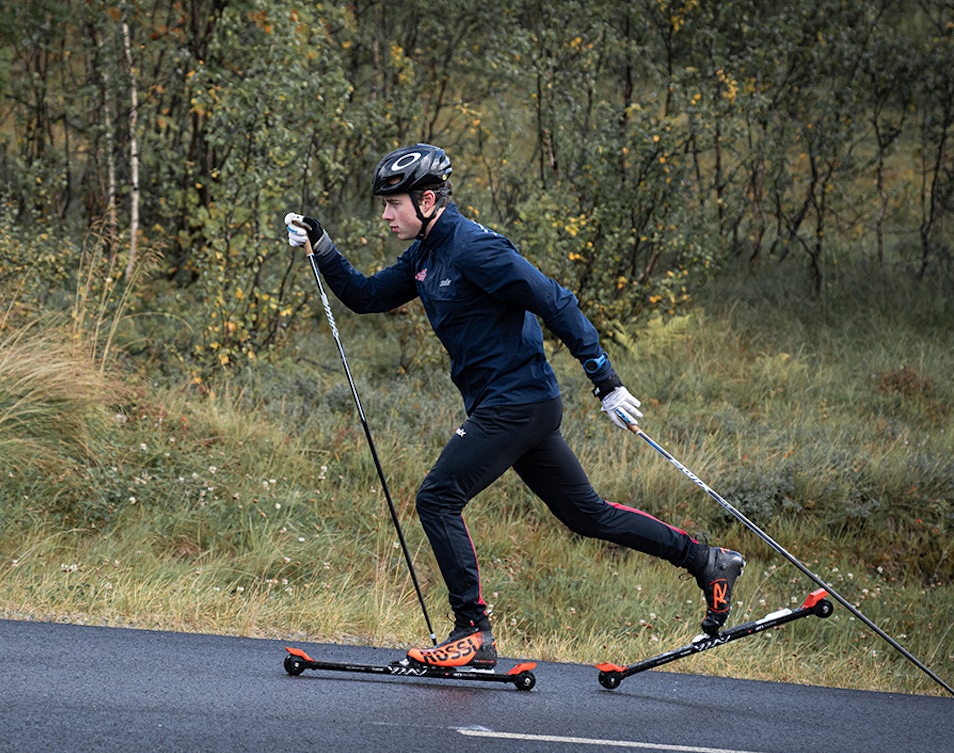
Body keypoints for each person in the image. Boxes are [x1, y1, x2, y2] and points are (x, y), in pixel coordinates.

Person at [285, 143, 744, 671]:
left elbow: (556, 301)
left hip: (516, 402)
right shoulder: (426, 253)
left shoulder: (475, 249)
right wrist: (322, 247)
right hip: (515, 404)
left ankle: (473, 632)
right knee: (586, 515)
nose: (387, 215)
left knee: (437, 498)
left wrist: (606, 382)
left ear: (427, 199)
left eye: (394, 204)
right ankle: (706, 561)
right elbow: (367, 297)